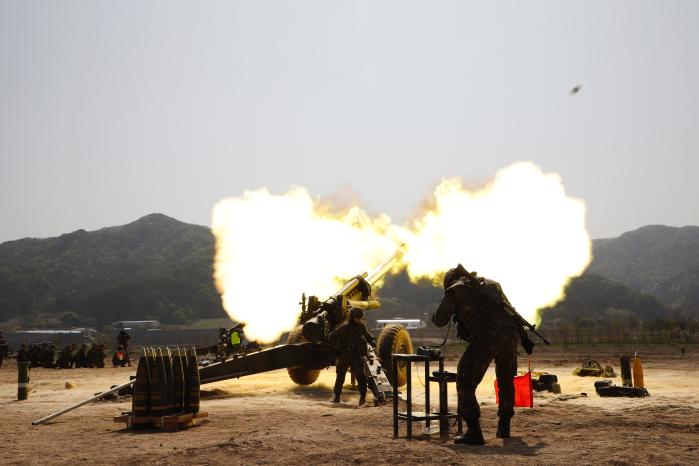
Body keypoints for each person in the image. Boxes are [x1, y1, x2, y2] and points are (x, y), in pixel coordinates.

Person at [431, 264, 531, 445]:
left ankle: (474, 432)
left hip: (487, 337)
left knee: (464, 380)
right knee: (506, 380)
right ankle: (504, 427)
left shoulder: (455, 290)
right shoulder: (491, 285)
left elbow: (439, 320)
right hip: (510, 336)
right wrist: (523, 338)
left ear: (448, 281)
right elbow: (510, 312)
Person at [328, 307, 376, 406]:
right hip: (344, 356)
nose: (359, 320)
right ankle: (336, 397)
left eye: (360, 318)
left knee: (361, 377)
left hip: (356, 356)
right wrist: (337, 347)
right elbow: (332, 336)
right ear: (352, 317)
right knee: (340, 377)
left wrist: (372, 341)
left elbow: (368, 336)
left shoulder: (361, 326)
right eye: (357, 318)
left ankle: (362, 398)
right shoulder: (344, 328)